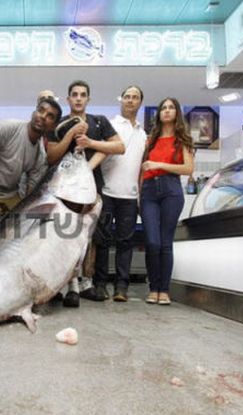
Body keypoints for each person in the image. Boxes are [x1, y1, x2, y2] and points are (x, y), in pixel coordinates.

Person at [47, 80, 125, 307]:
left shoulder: (99, 122)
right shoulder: (60, 123)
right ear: (69, 98)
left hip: (92, 188)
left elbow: (119, 147)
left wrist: (91, 145)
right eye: (74, 94)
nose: (79, 98)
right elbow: (51, 156)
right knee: (66, 237)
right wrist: (70, 137)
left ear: (88, 99)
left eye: (83, 95)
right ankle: (68, 285)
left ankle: (86, 283)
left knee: (90, 238)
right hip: (64, 191)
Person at [0, 97, 62, 244]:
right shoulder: (8, 127)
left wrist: (31, 215)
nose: (43, 116)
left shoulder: (40, 154)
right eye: (41, 110)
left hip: (11, 193)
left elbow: (30, 192)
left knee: (17, 237)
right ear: (34, 112)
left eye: (50, 116)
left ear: (53, 126)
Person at [91, 85, 146, 302]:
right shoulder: (110, 126)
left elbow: (141, 167)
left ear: (140, 102)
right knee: (102, 241)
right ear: (120, 100)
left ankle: (122, 287)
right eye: (127, 97)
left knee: (126, 242)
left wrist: (140, 195)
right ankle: (100, 284)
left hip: (130, 197)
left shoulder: (143, 134)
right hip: (107, 192)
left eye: (135, 97)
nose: (130, 101)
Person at [140, 97, 195, 306]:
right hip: (149, 190)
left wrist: (159, 164)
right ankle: (152, 287)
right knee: (152, 242)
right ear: (159, 114)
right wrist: (139, 195)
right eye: (163, 107)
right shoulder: (150, 140)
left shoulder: (183, 140)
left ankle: (163, 289)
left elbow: (188, 169)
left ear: (177, 113)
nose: (167, 111)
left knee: (165, 243)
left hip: (171, 189)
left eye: (171, 108)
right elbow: (142, 168)